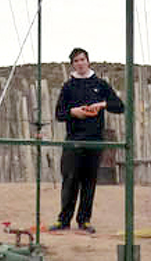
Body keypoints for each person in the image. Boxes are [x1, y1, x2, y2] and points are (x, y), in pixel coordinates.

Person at [50, 48, 124, 234]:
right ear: (72, 65)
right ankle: (63, 220)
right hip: (73, 140)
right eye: (76, 61)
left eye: (82, 59)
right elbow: (59, 114)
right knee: (70, 180)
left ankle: (84, 220)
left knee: (89, 182)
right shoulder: (68, 87)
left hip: (94, 141)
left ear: (88, 61)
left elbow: (119, 106)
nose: (80, 63)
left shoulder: (100, 84)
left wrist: (102, 104)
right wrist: (74, 112)